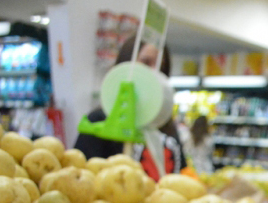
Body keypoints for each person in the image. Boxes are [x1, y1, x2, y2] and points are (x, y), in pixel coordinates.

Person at [74, 35, 185, 180]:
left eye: (161, 66)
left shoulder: (165, 124)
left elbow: (183, 173)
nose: (154, 72)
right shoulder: (99, 122)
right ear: (126, 64)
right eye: (146, 62)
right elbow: (79, 179)